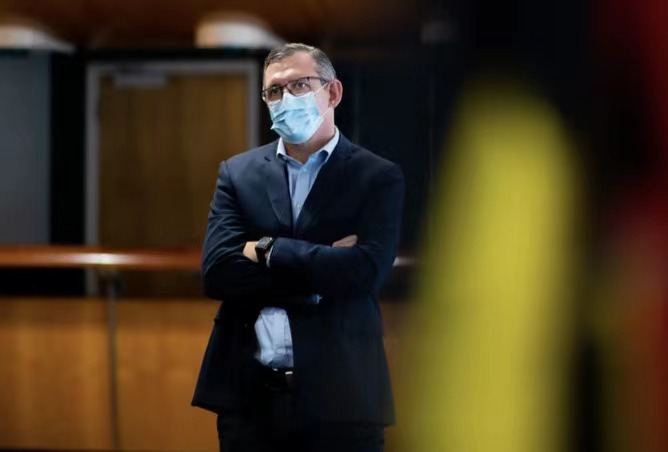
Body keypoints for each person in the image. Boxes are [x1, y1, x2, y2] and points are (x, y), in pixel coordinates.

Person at [192, 42, 404, 452]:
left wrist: (268, 250)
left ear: (333, 92)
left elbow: (366, 272)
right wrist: (323, 273)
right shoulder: (238, 173)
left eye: (300, 85)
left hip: (343, 398)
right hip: (251, 398)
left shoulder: (377, 176)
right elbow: (218, 273)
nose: (285, 98)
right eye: (274, 91)